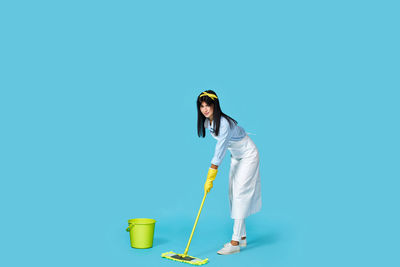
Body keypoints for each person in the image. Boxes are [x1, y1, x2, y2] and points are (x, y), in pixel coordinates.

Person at [196, 90, 262, 255]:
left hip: (248, 155)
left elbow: (220, 149)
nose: (205, 109)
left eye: (208, 105)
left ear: (215, 105)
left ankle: (234, 243)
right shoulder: (207, 123)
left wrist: (211, 174)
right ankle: (243, 237)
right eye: (202, 106)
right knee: (233, 194)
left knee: (240, 194)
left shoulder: (223, 123)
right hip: (236, 157)